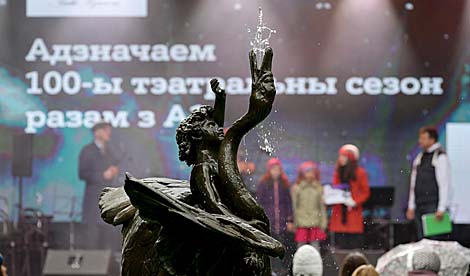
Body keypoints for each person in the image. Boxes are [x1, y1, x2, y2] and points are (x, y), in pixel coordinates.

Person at [406, 126, 451, 240]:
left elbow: (444, 184)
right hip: (420, 204)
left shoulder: (440, 157)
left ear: (432, 140)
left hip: (433, 206)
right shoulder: (419, 157)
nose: (420, 141)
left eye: (423, 138)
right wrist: (411, 206)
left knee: (434, 240)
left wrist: (441, 208)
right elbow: (413, 183)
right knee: (421, 239)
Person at [256, 157, 293, 276]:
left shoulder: (284, 184)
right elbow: (259, 202)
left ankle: (282, 269)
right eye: (273, 169)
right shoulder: (264, 183)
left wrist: (289, 219)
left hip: (281, 221)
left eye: (278, 169)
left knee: (282, 245)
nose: (276, 172)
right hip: (269, 220)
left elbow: (288, 203)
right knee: (270, 244)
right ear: (269, 170)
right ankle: (271, 268)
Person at [329, 144, 370, 249]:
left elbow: (365, 192)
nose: (340, 159)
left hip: (353, 213)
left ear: (350, 158)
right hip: (339, 214)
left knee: (354, 245)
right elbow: (335, 189)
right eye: (340, 156)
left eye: (344, 156)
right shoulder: (337, 173)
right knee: (340, 245)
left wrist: (355, 201)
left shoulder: (360, 173)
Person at [291, 161, 327, 251]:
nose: (310, 175)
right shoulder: (297, 188)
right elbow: (294, 206)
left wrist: (323, 223)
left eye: (312, 172)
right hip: (301, 222)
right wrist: (294, 223)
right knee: (301, 248)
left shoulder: (318, 188)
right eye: (307, 172)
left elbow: (321, 207)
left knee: (315, 248)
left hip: (315, 222)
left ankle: (316, 264)